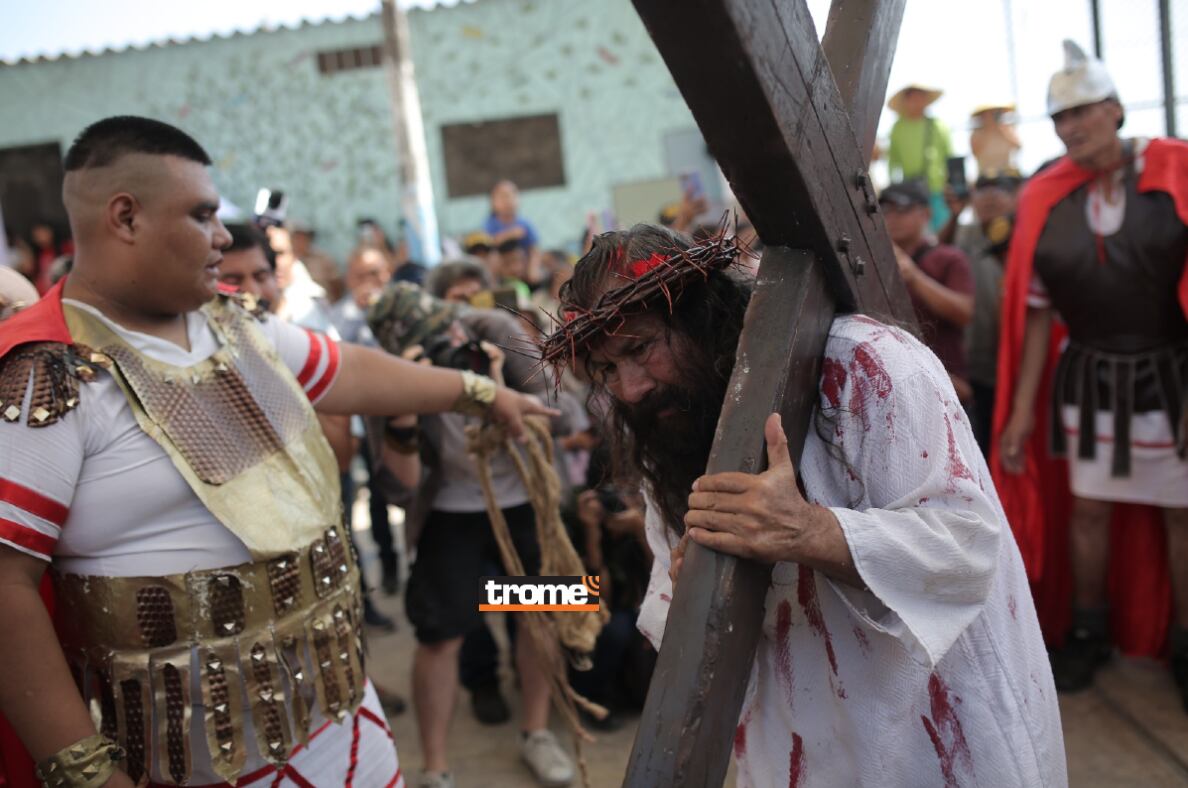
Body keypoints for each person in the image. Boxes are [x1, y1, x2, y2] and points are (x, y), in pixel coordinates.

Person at [0, 116, 554, 788]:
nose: (223, 235)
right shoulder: (40, 373)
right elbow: (6, 588)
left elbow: (346, 371)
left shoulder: (235, 322)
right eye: (203, 214)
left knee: (550, 605)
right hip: (186, 764)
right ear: (126, 217)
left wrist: (477, 392)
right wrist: (88, 774)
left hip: (344, 715)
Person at [542, 223, 1065, 787]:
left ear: (699, 313)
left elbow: (966, 549)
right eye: (606, 370)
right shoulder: (672, 433)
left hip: (944, 749)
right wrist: (694, 588)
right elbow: (675, 622)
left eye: (640, 348)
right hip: (796, 754)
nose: (629, 388)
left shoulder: (869, 365)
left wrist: (810, 532)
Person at [994, 41, 1188, 698]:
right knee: (1088, 513)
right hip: (1090, 380)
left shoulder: (1175, 174)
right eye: (1059, 118)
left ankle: (1185, 644)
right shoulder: (1048, 198)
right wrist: (1020, 411)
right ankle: (1087, 632)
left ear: (1113, 110)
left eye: (1081, 112)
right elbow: (1038, 313)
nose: (1070, 128)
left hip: (1172, 376)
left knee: (1181, 515)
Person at [366, 283, 576, 788]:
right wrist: (407, 402)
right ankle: (434, 767)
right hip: (447, 516)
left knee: (540, 616)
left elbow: (571, 416)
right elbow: (400, 488)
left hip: (527, 506)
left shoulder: (497, 333)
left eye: (446, 333)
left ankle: (536, 733)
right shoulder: (389, 374)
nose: (446, 345)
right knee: (440, 635)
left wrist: (506, 392)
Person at [944, 172, 1022, 456]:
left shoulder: (1026, 233)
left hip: (1017, 363)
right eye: (981, 190)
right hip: (973, 365)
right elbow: (938, 249)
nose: (989, 196)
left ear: (1017, 196)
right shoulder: (966, 235)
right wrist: (955, 215)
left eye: (999, 189)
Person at [879, 181, 976, 402]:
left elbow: (964, 313)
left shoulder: (949, 258)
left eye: (902, 208)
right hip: (892, 388)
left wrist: (915, 277)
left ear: (926, 213)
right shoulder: (875, 260)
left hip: (946, 388)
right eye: (885, 209)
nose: (892, 217)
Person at [886, 84, 954, 230]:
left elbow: (950, 157)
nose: (917, 102)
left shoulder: (938, 125)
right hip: (911, 192)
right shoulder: (898, 128)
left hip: (938, 190)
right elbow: (892, 161)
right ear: (905, 102)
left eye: (920, 97)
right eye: (912, 98)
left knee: (943, 229)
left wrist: (952, 184)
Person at [484, 181, 542, 286]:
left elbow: (534, 250)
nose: (508, 201)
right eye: (503, 197)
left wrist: (533, 270)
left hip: (522, 270)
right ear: (493, 202)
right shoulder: (489, 224)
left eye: (512, 196)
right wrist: (509, 234)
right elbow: (488, 245)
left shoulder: (525, 223)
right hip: (500, 272)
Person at [969, 103, 1022, 177]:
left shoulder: (1007, 130)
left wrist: (1003, 130)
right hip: (985, 177)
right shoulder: (977, 134)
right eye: (990, 113)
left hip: (1006, 175)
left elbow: (1018, 146)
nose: (994, 116)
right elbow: (975, 152)